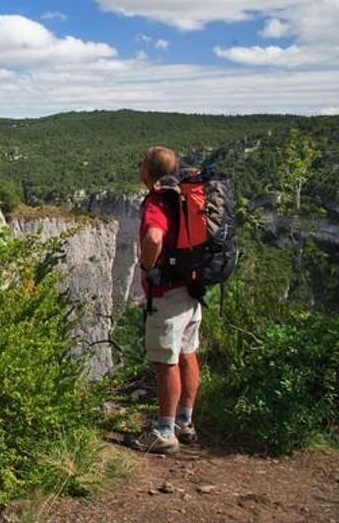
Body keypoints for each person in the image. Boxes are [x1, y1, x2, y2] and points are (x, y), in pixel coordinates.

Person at [133, 145, 201, 454]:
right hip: (192, 289)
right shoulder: (183, 197)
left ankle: (163, 431)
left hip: (168, 292)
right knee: (188, 353)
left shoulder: (157, 202)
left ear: (149, 172)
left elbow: (153, 238)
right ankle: (184, 422)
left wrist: (147, 268)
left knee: (165, 361)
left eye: (142, 164)